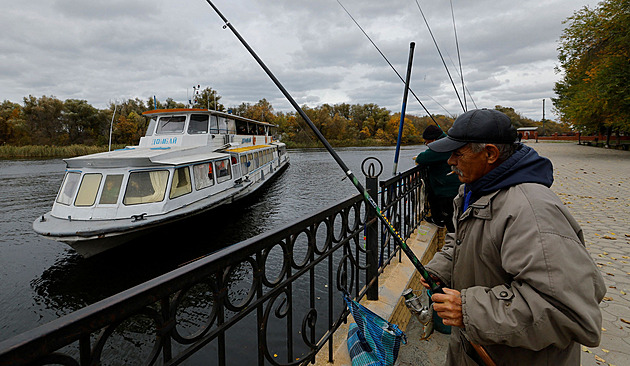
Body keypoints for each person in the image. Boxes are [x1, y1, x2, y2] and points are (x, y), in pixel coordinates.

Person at [419, 108, 605, 365]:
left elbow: (570, 313)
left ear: (490, 153)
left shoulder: (532, 211)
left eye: (458, 154)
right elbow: (463, 244)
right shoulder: (474, 192)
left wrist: (468, 310)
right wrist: (441, 269)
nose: (450, 161)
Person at [415, 125, 461, 232]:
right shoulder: (449, 143)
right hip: (453, 187)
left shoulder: (441, 147)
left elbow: (422, 158)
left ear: (434, 140)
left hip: (448, 191)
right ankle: (439, 219)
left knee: (451, 222)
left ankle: (454, 244)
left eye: (427, 142)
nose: (426, 145)